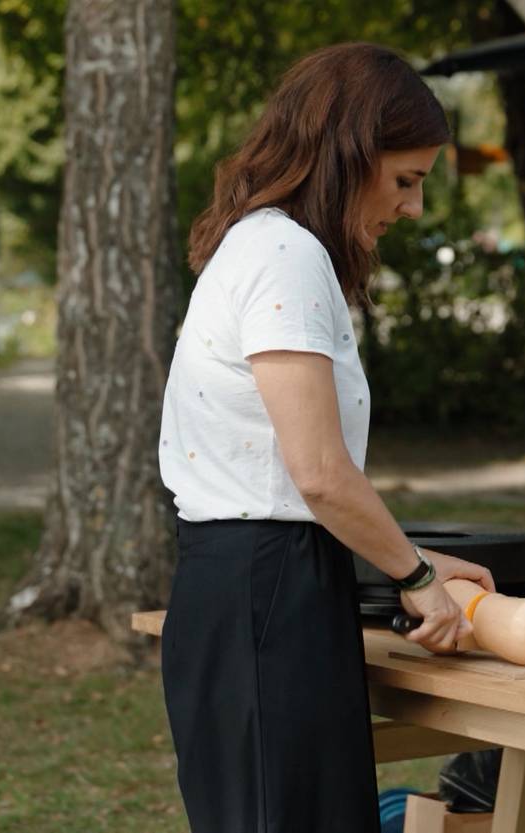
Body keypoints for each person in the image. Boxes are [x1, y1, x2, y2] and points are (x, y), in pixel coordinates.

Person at [157, 42, 494, 833]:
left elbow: (284, 485)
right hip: (266, 597)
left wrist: (408, 558)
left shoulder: (264, 244)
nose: (412, 208)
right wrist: (412, 574)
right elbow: (316, 472)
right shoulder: (285, 256)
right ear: (348, 155)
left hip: (262, 583)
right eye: (406, 180)